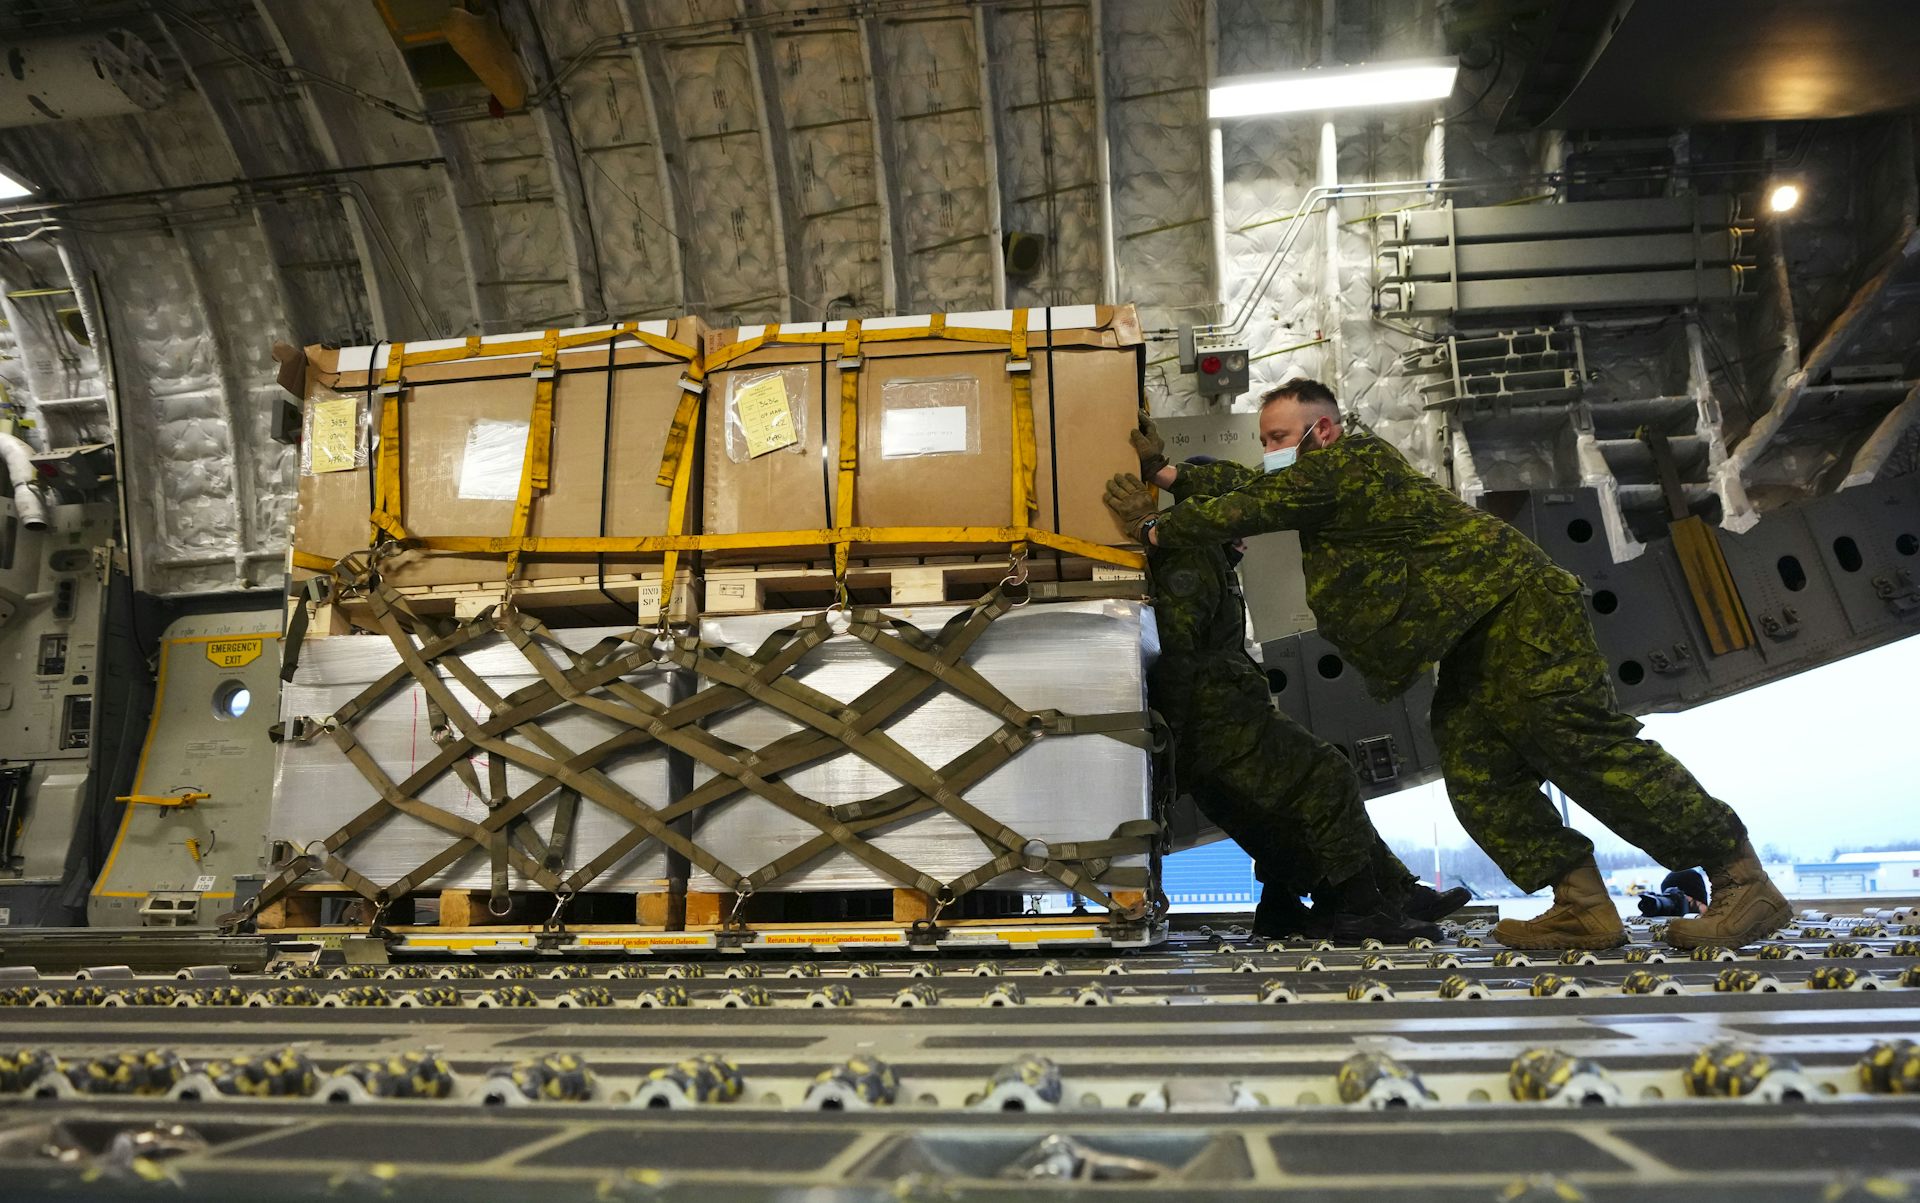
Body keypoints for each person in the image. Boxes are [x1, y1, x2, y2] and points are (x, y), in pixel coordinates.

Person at [1105, 381, 1791, 951]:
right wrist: (1169, 473)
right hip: (1471, 635)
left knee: (1586, 750)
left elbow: (1258, 500)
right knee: (1478, 776)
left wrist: (1155, 529)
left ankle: (1740, 878)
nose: (1270, 454)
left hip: (1518, 610)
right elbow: (1254, 487)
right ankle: (1583, 904)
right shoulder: (1314, 480)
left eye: (1279, 439)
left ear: (1323, 433)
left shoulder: (1354, 463)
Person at [1140, 456, 1469, 942]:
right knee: (1326, 775)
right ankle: (1363, 907)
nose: (1250, 528)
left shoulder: (1207, 554)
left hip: (1224, 713)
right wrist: (1179, 747)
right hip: (1216, 719)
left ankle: (1363, 896)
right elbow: (1180, 657)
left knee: (1280, 810)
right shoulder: (1189, 555)